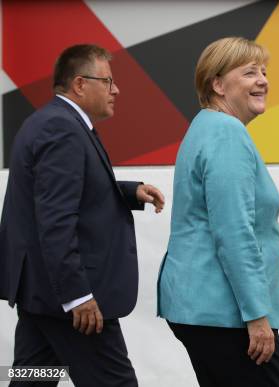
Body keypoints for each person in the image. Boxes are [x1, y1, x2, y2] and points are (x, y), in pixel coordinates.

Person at [0, 44, 165, 386]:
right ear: (79, 84)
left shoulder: (53, 121)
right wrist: (78, 296)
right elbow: (56, 220)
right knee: (115, 382)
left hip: (41, 292)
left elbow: (69, 191)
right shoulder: (62, 129)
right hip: (69, 299)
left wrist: (129, 191)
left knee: (33, 377)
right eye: (107, 81)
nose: (115, 89)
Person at [157, 37, 279, 386]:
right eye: (249, 72)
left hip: (206, 310)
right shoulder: (226, 134)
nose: (262, 79)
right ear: (217, 84)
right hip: (224, 314)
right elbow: (234, 233)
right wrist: (257, 315)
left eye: (263, 71)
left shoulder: (206, 125)